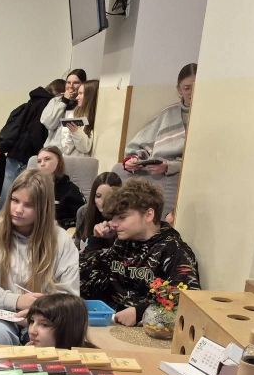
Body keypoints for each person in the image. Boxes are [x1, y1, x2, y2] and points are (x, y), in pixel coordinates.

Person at [0, 169, 80, 345]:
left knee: (47, 337)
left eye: (28, 205)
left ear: (43, 208)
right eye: (15, 200)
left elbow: (69, 295)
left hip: (46, 317)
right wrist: (17, 301)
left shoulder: (62, 241)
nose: (18, 210)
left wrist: (39, 314)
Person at [80, 178, 200, 326]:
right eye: (112, 218)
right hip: (108, 323)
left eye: (122, 217)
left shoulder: (174, 250)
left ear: (149, 214)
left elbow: (187, 300)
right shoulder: (122, 242)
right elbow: (81, 282)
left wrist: (140, 312)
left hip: (145, 331)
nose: (113, 224)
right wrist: (97, 241)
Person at [120, 63, 197, 220]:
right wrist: (133, 160)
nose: (191, 92)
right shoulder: (168, 113)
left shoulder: (206, 116)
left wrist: (169, 166)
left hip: (181, 180)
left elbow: (198, 161)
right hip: (154, 176)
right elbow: (140, 144)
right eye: (187, 88)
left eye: (196, 87)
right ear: (179, 90)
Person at [0, 83, 54, 206]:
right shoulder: (47, 105)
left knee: (7, 193)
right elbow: (36, 133)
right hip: (28, 156)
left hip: (13, 152)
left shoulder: (29, 103)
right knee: (24, 193)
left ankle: (1, 216)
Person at [36, 146, 85, 229]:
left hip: (58, 231)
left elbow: (83, 217)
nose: (42, 164)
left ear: (59, 162)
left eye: (47, 159)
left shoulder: (71, 190)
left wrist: (60, 223)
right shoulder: (32, 186)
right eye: (39, 161)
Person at [41, 69, 87, 148]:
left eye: (75, 83)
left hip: (72, 151)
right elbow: (49, 124)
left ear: (83, 85)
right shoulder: (55, 100)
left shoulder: (84, 104)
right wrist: (64, 101)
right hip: (52, 149)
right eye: (68, 82)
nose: (71, 86)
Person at [76, 172, 121, 249]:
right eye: (98, 196)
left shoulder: (123, 216)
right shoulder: (84, 212)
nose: (102, 202)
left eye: (109, 197)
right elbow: (77, 246)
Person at [59, 80, 98, 157]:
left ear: (90, 96)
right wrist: (72, 132)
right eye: (78, 93)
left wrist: (76, 132)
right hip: (68, 159)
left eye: (80, 93)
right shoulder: (73, 114)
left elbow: (85, 148)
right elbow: (66, 148)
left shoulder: (95, 117)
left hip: (82, 161)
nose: (77, 97)